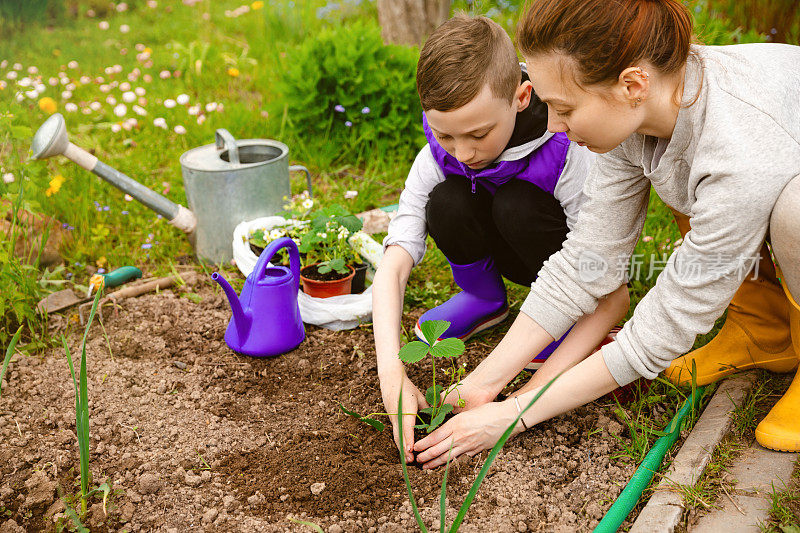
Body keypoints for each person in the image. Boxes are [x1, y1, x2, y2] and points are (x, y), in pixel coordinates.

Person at [411, 0, 800, 469]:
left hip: (774, 172)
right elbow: (588, 262)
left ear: (632, 84)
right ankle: (766, 330)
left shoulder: (738, 149)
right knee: (693, 182)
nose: (553, 125)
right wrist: (485, 381)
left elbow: (663, 327)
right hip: (749, 170)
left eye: (564, 108)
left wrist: (515, 415)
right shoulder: (637, 115)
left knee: (794, 215)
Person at [373, 14, 630, 463]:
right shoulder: (439, 154)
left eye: (478, 134)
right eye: (444, 134)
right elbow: (393, 264)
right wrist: (390, 372)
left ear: (520, 96)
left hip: (554, 263)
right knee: (446, 201)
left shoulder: (566, 146)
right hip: (497, 248)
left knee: (516, 202)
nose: (464, 152)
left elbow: (610, 287)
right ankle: (483, 298)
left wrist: (515, 408)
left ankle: (562, 320)